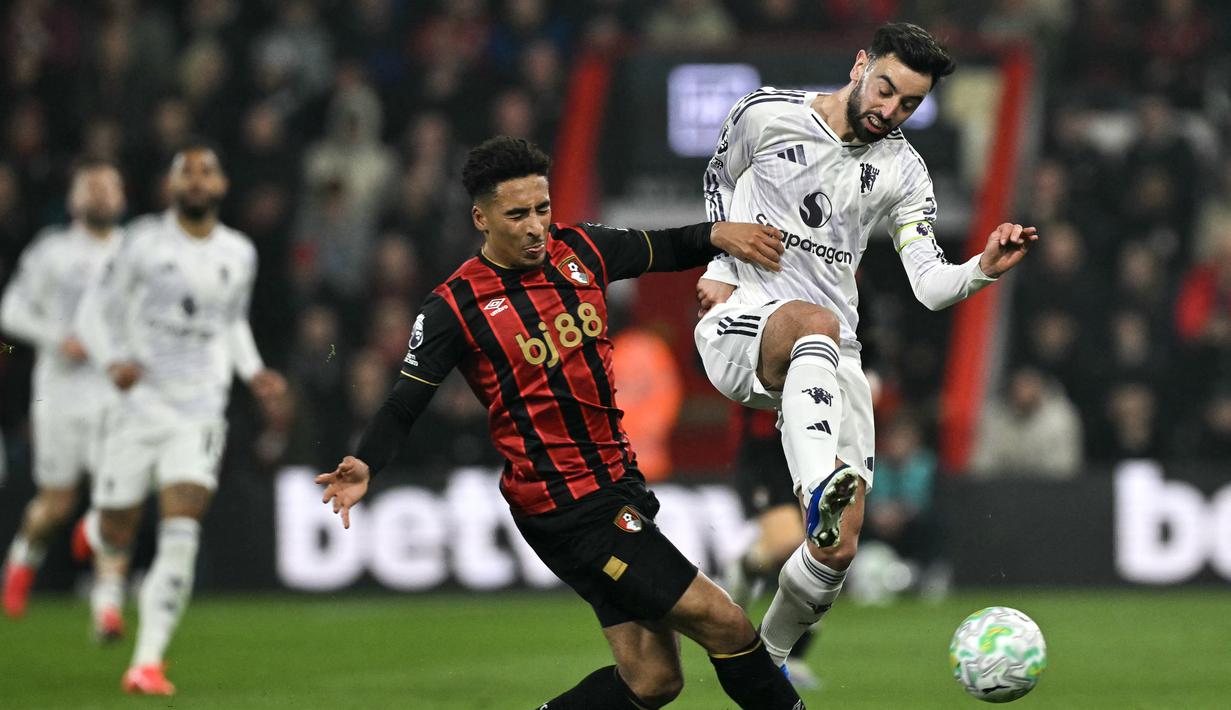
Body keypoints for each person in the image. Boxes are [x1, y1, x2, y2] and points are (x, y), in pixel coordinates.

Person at [317, 136, 805, 710]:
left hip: (617, 484)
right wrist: (366, 462)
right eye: (517, 214)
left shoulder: (583, 252)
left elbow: (664, 246)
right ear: (482, 217)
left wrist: (718, 234)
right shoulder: (453, 306)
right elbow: (405, 402)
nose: (534, 227)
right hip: (566, 505)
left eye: (542, 209)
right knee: (723, 619)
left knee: (653, 681)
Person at [694, 22, 1037, 669]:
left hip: (832, 355)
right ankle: (820, 485)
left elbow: (930, 286)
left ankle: (761, 664)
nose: (890, 110)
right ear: (859, 65)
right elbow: (718, 178)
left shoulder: (903, 170)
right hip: (744, 321)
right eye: (884, 89)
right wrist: (715, 263)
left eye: (907, 104)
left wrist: (983, 267)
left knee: (835, 553)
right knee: (813, 324)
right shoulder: (764, 115)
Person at [74, 142, 286, 695]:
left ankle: (146, 662)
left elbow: (232, 321)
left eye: (207, 171)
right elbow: (94, 312)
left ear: (220, 187)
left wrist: (254, 370)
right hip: (140, 403)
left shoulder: (239, 252)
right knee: (118, 526)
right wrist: (111, 360)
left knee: (182, 526)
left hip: (200, 407)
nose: (197, 179)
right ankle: (97, 529)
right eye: (186, 172)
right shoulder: (141, 243)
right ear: (172, 187)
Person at [0, 160, 132, 640]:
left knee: (118, 500)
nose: (99, 196)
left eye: (108, 187)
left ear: (122, 197)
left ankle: (107, 608)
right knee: (57, 504)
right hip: (59, 393)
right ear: (74, 199)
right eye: (90, 187)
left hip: (115, 395)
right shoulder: (50, 251)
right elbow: (10, 310)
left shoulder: (135, 252)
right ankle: (21, 558)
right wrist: (59, 338)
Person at [723, 409, 819, 689]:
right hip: (764, 453)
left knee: (819, 553)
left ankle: (750, 562)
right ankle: (787, 656)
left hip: (809, 448)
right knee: (795, 549)